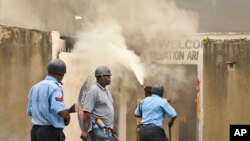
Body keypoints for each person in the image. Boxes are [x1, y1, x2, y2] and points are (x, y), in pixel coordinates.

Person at [26, 59, 71, 141]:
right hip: (50, 132)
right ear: (59, 74)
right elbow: (60, 110)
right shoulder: (55, 88)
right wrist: (67, 116)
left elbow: (30, 111)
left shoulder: (35, 87)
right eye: (63, 75)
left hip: (35, 131)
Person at [80, 66, 115, 141]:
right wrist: (84, 131)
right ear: (100, 77)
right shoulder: (94, 90)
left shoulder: (107, 90)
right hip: (98, 128)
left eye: (110, 76)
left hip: (108, 130)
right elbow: (86, 112)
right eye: (107, 76)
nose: (109, 78)